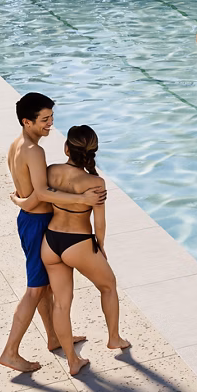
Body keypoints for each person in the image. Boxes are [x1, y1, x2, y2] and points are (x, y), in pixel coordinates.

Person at [0, 92, 106, 374]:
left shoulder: (18, 144)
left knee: (44, 286)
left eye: (51, 118)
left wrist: (21, 202)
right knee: (35, 290)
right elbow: (43, 193)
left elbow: (31, 193)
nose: (50, 124)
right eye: (44, 120)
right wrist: (83, 200)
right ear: (27, 121)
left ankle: (55, 337)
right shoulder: (35, 151)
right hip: (36, 223)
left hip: (30, 218)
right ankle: (10, 352)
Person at [39, 125, 129, 376]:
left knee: (61, 304)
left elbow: (43, 196)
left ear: (67, 148)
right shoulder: (95, 182)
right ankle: (114, 338)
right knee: (108, 285)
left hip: (51, 242)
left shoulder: (51, 171)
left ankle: (72, 360)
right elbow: (99, 224)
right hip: (78, 243)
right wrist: (99, 247)